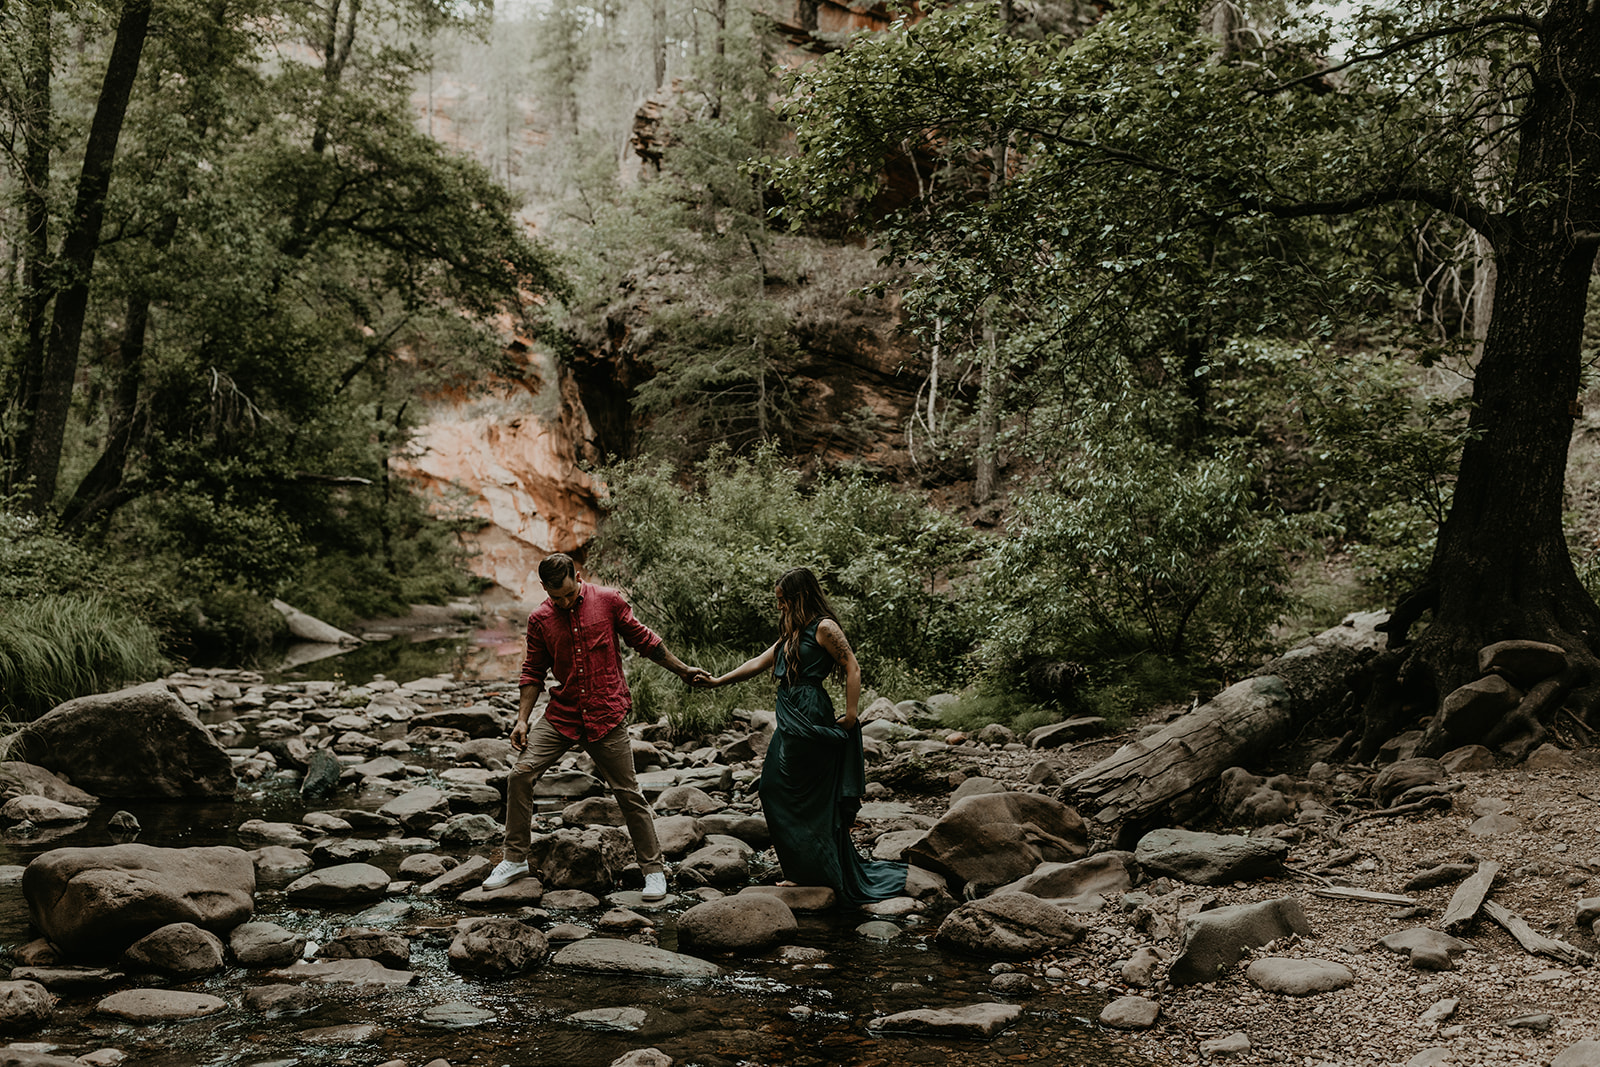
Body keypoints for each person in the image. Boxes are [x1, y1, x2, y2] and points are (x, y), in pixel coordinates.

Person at [484, 552, 707, 900]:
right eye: (555, 597)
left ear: (578, 576)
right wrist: (522, 719)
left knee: (628, 793)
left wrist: (683, 670)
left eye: (569, 595)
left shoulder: (608, 601)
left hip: (606, 713)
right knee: (520, 775)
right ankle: (515, 859)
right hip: (563, 714)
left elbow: (645, 641)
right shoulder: (540, 619)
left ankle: (653, 871)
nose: (564, 602)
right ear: (544, 589)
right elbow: (532, 671)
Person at [703, 566, 906, 905]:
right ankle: (802, 866)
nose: (779, 606)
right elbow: (758, 662)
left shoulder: (824, 627)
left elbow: (851, 666)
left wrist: (853, 713)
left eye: (783, 600)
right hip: (790, 715)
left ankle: (816, 870)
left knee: (809, 795)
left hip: (811, 712)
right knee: (772, 788)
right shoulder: (792, 633)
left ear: (799, 597)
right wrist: (717, 681)